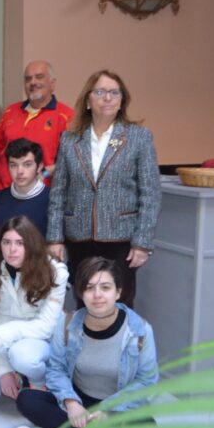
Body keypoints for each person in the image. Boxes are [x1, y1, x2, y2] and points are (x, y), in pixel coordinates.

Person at [12, 257, 158, 428]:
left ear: (118, 292)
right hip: (79, 400)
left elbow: (147, 381)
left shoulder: (140, 330)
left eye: (105, 287)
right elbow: (56, 369)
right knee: (27, 399)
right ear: (81, 293)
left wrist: (108, 410)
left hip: (116, 406)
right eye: (89, 288)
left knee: (147, 425)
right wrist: (71, 403)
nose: (97, 295)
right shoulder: (67, 324)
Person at [46, 70, 160, 309]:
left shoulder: (138, 138)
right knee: (85, 301)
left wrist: (142, 242)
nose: (107, 98)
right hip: (79, 238)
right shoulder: (70, 140)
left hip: (122, 241)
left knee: (120, 304)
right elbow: (58, 193)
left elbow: (150, 194)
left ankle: (120, 347)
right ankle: (85, 347)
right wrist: (55, 238)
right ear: (88, 100)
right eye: (100, 92)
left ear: (122, 100)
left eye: (114, 92)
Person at [0, 217, 67, 417]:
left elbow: (45, 327)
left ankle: (38, 383)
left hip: (35, 343)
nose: (12, 249)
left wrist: (1, 334)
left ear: (32, 245)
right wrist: (2, 371)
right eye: (7, 242)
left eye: (20, 243)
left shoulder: (55, 272)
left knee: (23, 356)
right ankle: (16, 375)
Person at [0, 60, 74, 201]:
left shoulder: (66, 116)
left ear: (52, 84)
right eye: (28, 79)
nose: (33, 82)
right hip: (3, 192)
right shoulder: (10, 111)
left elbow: (73, 160)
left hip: (42, 196)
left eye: (39, 77)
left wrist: (48, 172)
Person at [0, 139, 49, 261]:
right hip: (3, 272)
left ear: (39, 166)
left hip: (41, 271)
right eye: (14, 165)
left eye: (27, 164)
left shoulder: (52, 199)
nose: (19, 171)